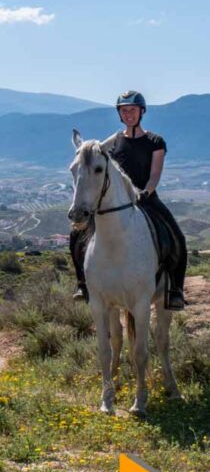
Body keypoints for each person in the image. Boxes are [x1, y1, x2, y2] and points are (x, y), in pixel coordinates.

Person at [70, 91, 186, 310]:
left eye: (132, 110)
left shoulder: (155, 141)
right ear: (119, 114)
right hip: (116, 203)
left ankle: (175, 290)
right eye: (124, 110)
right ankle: (82, 283)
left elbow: (154, 174)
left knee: (176, 236)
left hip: (146, 199)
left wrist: (145, 192)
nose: (128, 114)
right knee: (76, 236)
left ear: (142, 112)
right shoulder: (112, 144)